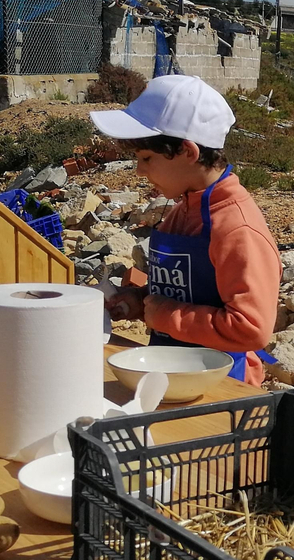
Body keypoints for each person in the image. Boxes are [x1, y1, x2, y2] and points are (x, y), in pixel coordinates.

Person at [90, 74, 280, 386]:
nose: (139, 170)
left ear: (189, 152)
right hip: (173, 372)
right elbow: (185, 291)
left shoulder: (237, 229)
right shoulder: (182, 211)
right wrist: (140, 302)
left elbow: (251, 328)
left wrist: (165, 316)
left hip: (222, 385)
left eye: (147, 158)